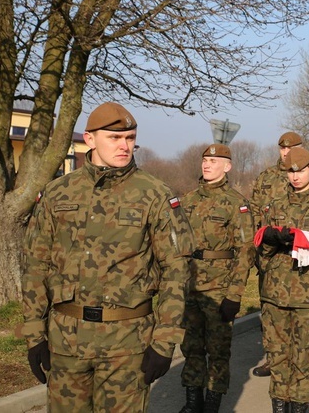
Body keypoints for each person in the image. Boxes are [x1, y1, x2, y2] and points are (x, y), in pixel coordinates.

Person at [22, 102, 194, 412]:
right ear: (89, 139)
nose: (124, 146)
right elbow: (36, 266)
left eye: (130, 138)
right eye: (114, 138)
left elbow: (176, 272)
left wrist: (165, 341)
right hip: (66, 342)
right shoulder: (57, 193)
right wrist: (35, 335)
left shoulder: (154, 195)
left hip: (127, 344)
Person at [255, 147, 309, 413]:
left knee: (303, 359)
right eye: (290, 172)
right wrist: (271, 241)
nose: (295, 177)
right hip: (276, 294)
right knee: (278, 357)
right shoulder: (275, 205)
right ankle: (279, 407)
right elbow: (262, 254)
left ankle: (301, 407)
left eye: (300, 171)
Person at [178, 144, 255, 413]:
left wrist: (234, 295)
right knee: (191, 346)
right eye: (204, 160)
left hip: (220, 288)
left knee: (218, 350)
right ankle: (192, 402)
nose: (206, 165)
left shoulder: (237, 204)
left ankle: (213, 403)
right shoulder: (187, 201)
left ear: (227, 166)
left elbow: (246, 251)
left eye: (213, 160)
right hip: (190, 286)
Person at [250, 131, 304, 377]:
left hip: (299, 254)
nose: (286, 152)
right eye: (282, 148)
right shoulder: (266, 178)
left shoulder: (305, 175)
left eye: (291, 148)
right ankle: (273, 357)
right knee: (270, 309)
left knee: (297, 309)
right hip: (271, 254)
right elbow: (255, 213)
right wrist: (258, 248)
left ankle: (295, 356)